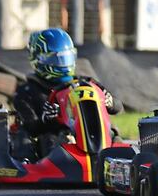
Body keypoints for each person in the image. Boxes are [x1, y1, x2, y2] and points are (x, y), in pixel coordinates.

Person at [13, 28, 122, 157]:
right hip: (54, 143)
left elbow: (118, 107)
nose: (62, 64)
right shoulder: (27, 92)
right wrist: (49, 118)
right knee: (48, 139)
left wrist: (109, 102)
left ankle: (118, 163)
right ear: (39, 60)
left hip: (87, 133)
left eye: (65, 58)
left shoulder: (85, 83)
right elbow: (32, 128)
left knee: (112, 132)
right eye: (56, 60)